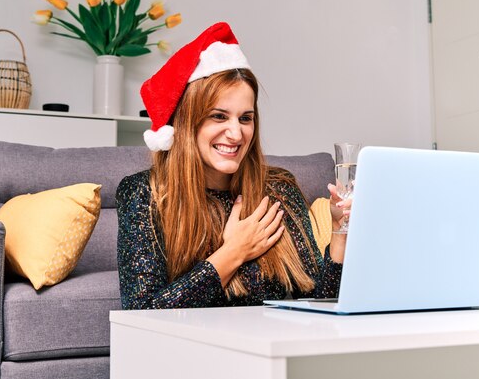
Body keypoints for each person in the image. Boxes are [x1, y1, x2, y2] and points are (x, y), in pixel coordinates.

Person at [117, 22, 349, 310]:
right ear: (188, 122)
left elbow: (319, 302)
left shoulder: (279, 189)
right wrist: (233, 253)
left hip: (272, 347)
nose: (236, 134)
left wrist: (340, 231)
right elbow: (141, 313)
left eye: (245, 118)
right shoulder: (144, 193)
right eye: (218, 116)